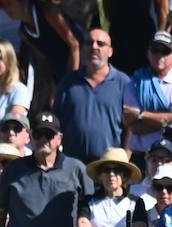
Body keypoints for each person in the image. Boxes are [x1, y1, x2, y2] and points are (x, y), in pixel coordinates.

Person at [53, 27, 131, 167]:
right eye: (89, 43)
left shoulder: (124, 83)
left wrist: (124, 159)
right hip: (73, 168)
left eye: (100, 44)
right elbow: (56, 123)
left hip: (109, 168)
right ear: (82, 49)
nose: (94, 47)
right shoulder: (68, 83)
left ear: (110, 51)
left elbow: (132, 127)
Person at [120, 31, 172, 171]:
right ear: (148, 53)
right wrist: (169, 119)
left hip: (171, 157)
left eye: (165, 51)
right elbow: (133, 126)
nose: (159, 55)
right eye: (155, 50)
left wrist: (142, 115)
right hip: (141, 155)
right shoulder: (135, 82)